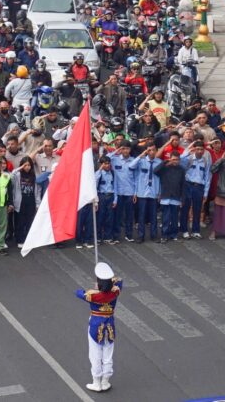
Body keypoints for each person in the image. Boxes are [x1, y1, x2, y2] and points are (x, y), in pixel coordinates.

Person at [76, 262, 123, 393]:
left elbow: (78, 292)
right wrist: (107, 281)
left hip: (95, 326)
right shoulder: (115, 291)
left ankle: (96, 382)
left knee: (95, 354)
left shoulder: (93, 295)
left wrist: (97, 288)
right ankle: (105, 381)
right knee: (108, 353)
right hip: (110, 325)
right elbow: (119, 281)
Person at [129, 144, 161, 243]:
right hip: (142, 192)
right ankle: (140, 235)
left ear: (156, 151)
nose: (151, 152)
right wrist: (141, 155)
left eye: (153, 150)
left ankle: (154, 235)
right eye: (149, 150)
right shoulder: (141, 161)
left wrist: (160, 192)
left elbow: (161, 179)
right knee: (141, 216)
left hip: (154, 192)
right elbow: (131, 166)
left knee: (153, 216)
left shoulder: (159, 163)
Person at [179, 142, 211, 239]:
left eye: (201, 149)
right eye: (197, 149)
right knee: (185, 208)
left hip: (199, 187)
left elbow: (208, 177)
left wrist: (206, 192)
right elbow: (179, 160)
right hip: (188, 185)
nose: (199, 151)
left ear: (204, 150)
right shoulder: (188, 158)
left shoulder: (206, 161)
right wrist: (188, 152)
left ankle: (196, 230)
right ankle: (184, 230)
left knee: (197, 209)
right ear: (194, 149)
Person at [10, 156, 41, 249]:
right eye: (25, 165)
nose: (27, 167)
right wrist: (20, 168)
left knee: (29, 221)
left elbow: (38, 190)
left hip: (30, 199)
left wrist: (37, 203)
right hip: (20, 201)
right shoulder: (18, 175)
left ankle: (28, 239)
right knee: (20, 221)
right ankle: (20, 240)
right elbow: (11, 175)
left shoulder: (34, 175)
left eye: (29, 165)